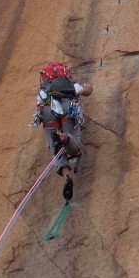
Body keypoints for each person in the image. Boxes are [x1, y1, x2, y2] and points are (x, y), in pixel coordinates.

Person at [31, 62, 93, 200]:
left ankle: (67, 175)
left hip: (48, 111)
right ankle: (66, 138)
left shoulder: (44, 92)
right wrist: (89, 86)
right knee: (74, 142)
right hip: (68, 108)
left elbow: (38, 108)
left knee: (55, 147)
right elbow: (87, 92)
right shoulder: (72, 85)